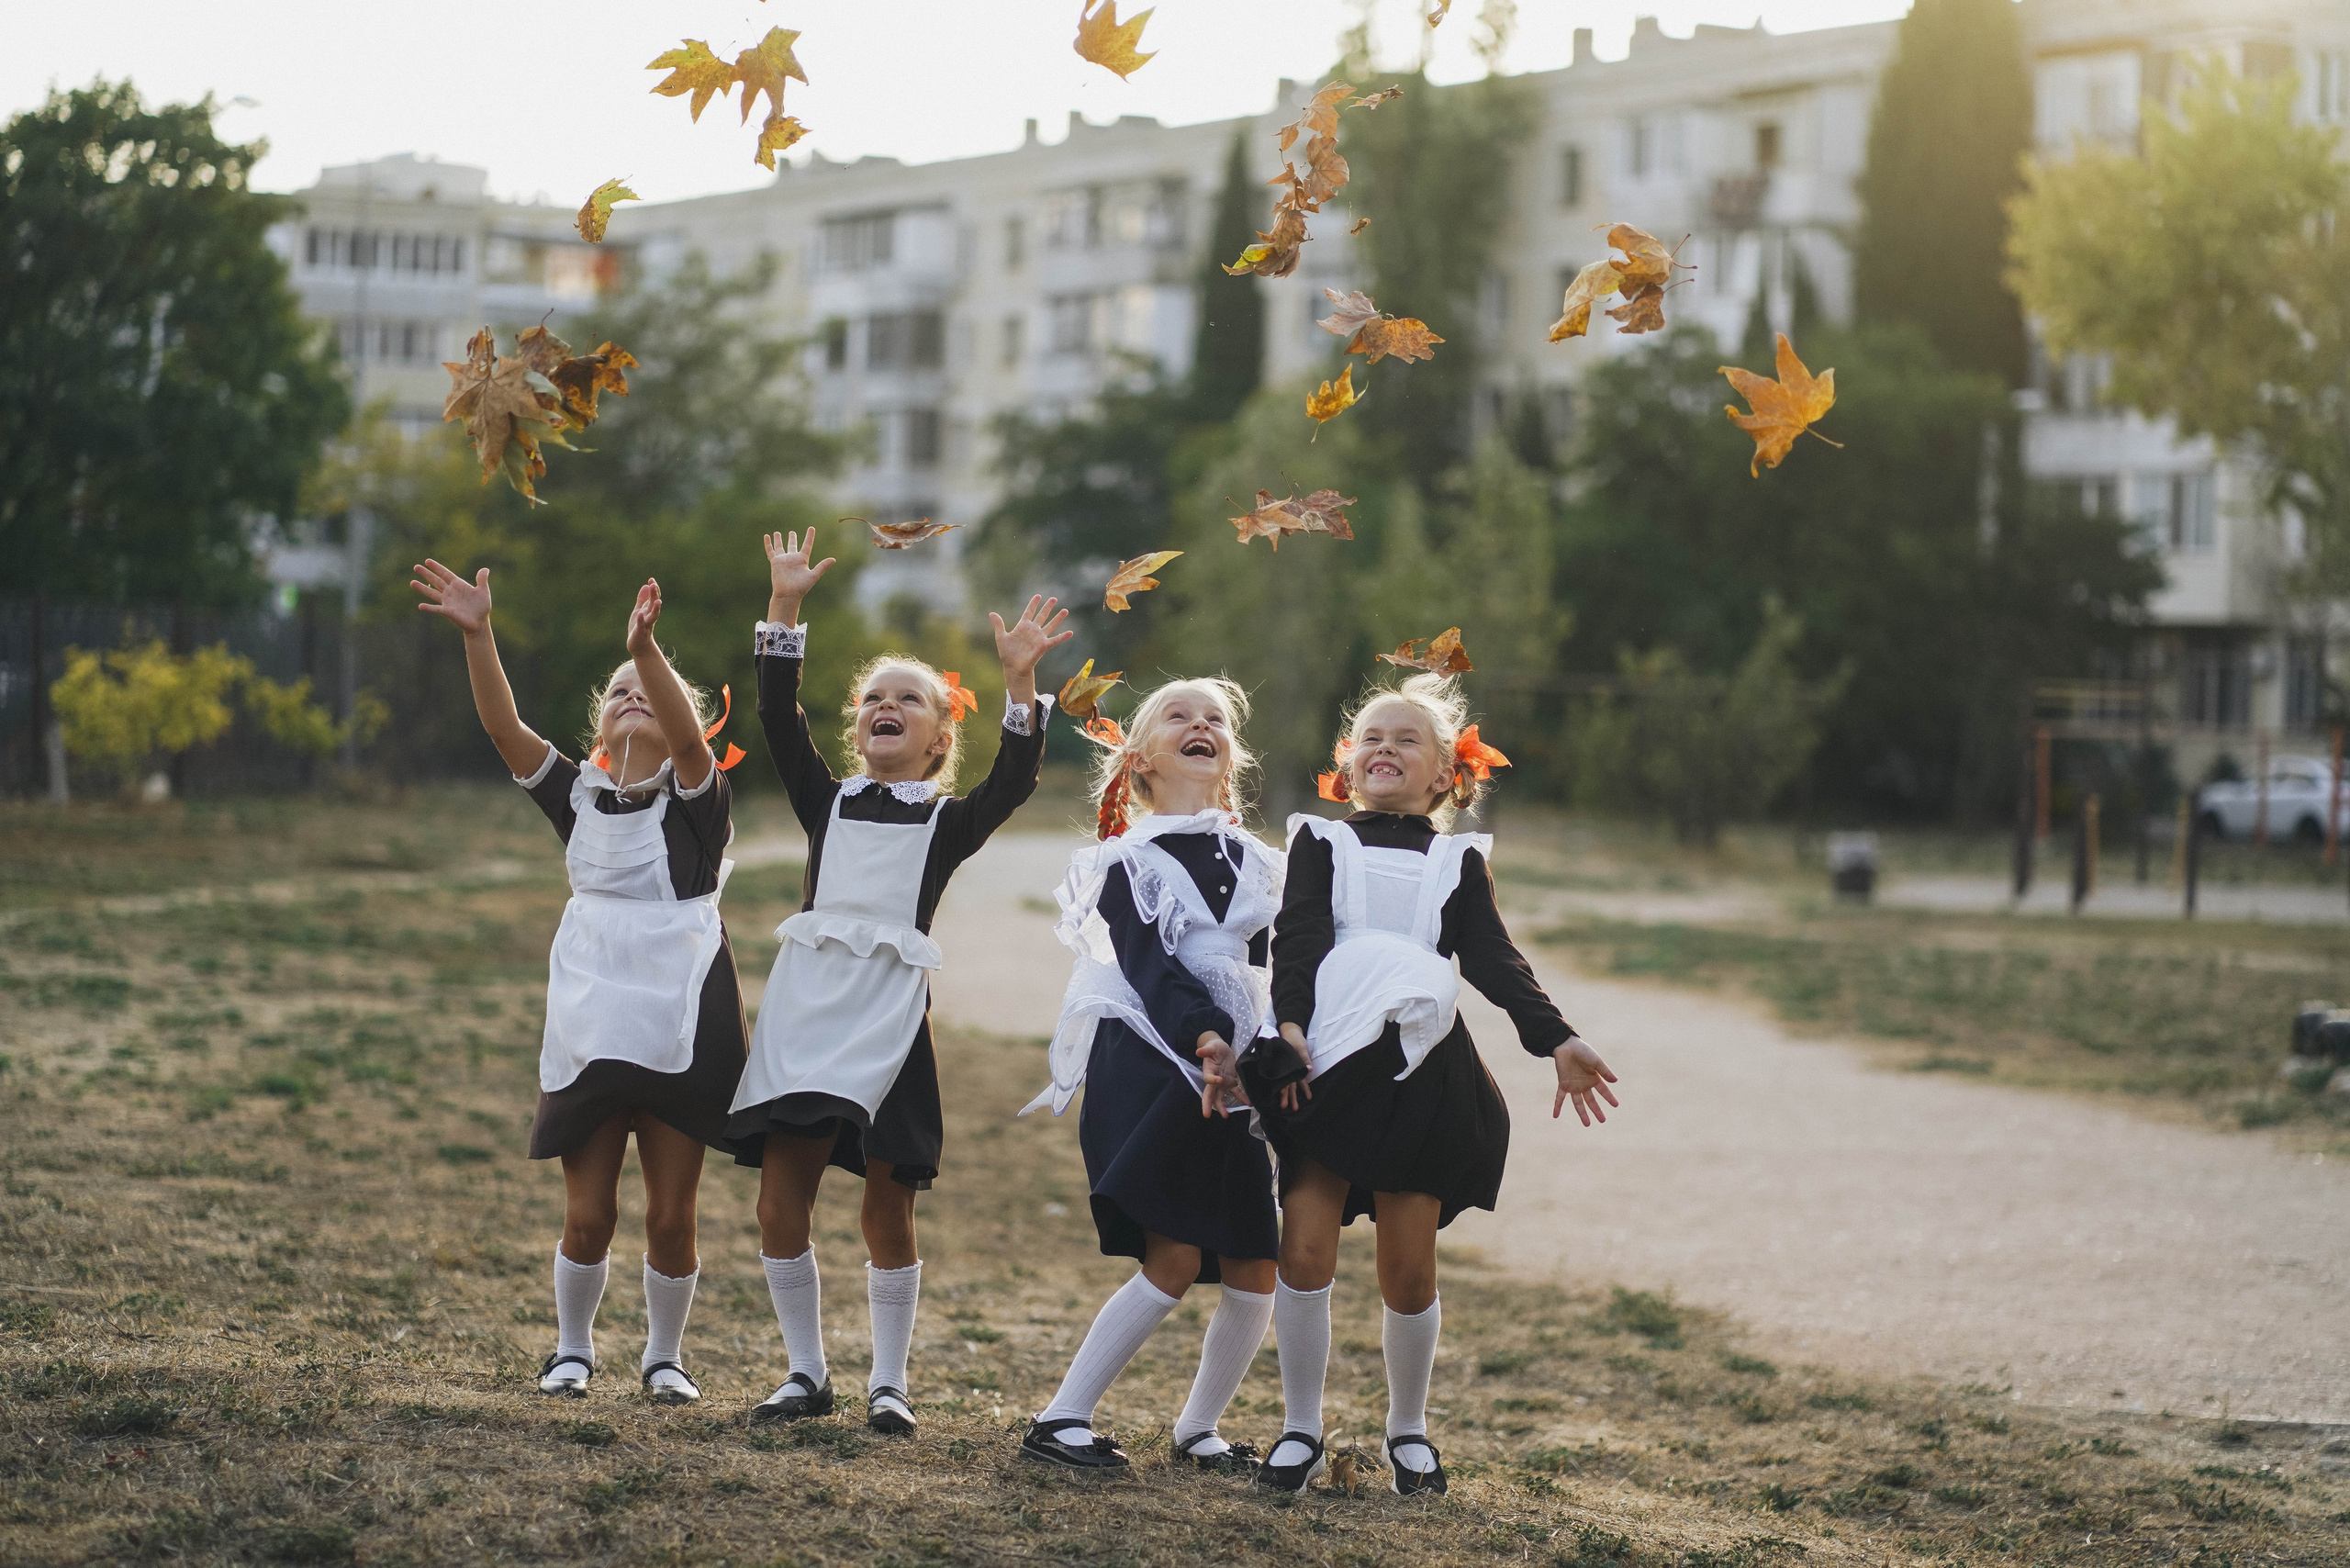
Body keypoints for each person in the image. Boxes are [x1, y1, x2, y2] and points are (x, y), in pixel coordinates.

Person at [1239, 673, 1621, 1495]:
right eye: (1371, 737)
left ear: (1446, 774)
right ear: (1348, 764)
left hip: (1421, 1070)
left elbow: (1490, 958)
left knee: (1407, 1269)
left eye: (1407, 740)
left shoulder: (1457, 859)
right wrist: (1291, 1025)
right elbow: (1296, 934)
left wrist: (1555, 1036)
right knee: (1302, 1250)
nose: (1385, 748)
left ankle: (1407, 1430)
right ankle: (1299, 1429)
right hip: (1327, 1062)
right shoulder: (1322, 841)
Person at [730, 528, 1072, 1438]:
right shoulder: (824, 798)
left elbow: (1015, 778)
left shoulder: (948, 823)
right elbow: (775, 717)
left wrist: (1021, 682)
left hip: (888, 1025)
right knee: (779, 1198)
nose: (888, 704)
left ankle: (889, 1381)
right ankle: (805, 1371)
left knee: (888, 1204)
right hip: (806, 1014)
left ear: (934, 741)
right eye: (875, 697)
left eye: (909, 700)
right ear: (858, 727)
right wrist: (785, 606)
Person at [411, 562, 745, 1407]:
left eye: (652, 690)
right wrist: (480, 635)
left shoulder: (702, 801)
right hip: (591, 1019)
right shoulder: (578, 797)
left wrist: (644, 648)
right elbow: (501, 726)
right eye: (618, 690)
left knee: (672, 1216)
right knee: (589, 1213)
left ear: (685, 720)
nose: (634, 695)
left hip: (684, 1019)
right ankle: (572, 1350)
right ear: (597, 723)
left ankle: (665, 1357)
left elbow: (692, 744)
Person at [1018, 680, 1285, 1474]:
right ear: (1138, 760)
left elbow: (1277, 968)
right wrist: (1205, 1038)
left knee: (1254, 1267)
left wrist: (1270, 1045)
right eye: (1179, 716)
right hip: (1157, 1057)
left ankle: (1198, 1430)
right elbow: (1152, 967)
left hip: (1235, 1071)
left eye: (1216, 720)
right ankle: (1060, 1419)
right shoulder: (1125, 862)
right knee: (1171, 1257)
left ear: (1229, 756)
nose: (1201, 726)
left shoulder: (1262, 863)